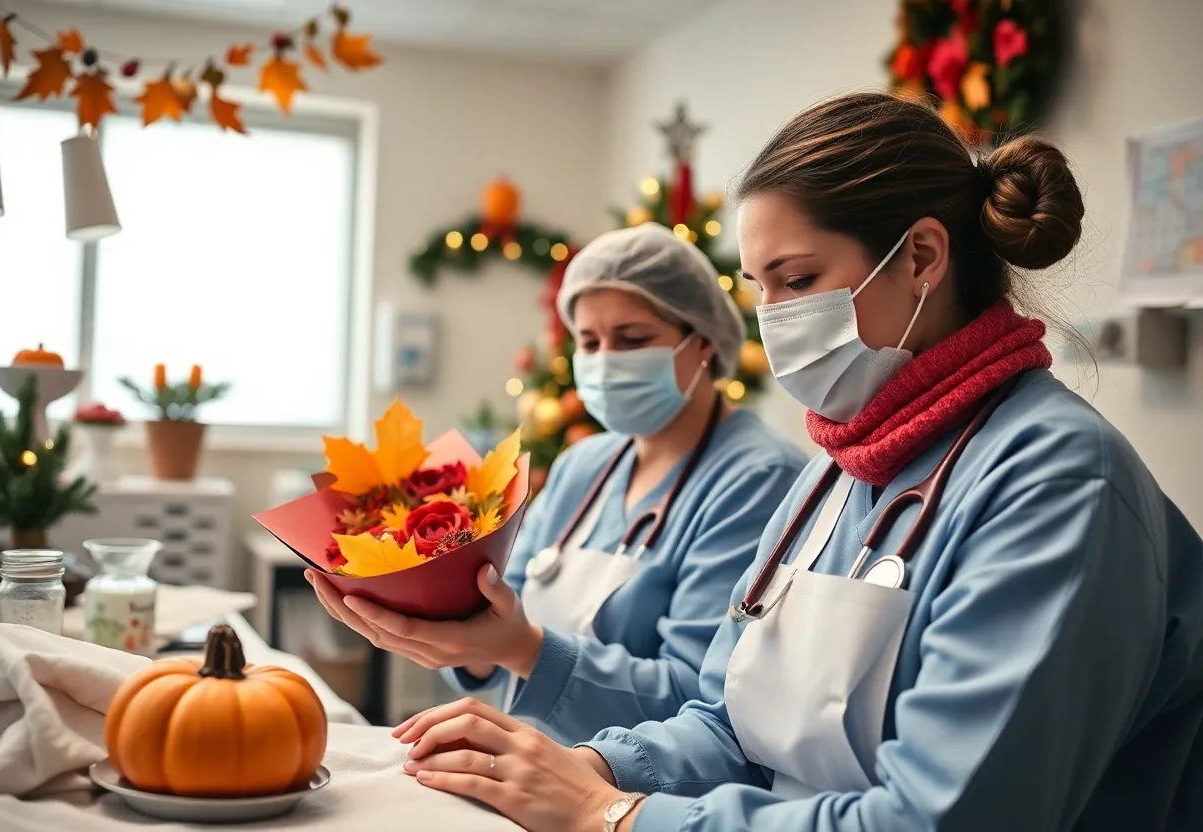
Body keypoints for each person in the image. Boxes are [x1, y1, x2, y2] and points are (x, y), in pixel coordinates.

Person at [386, 92, 1203, 832]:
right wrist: (593, 766)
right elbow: (727, 715)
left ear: (921, 256)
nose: (772, 320)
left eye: (798, 280)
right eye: (759, 288)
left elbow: (942, 819)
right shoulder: (841, 464)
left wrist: (617, 814)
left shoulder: (1057, 483)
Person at [307, 222, 808, 746]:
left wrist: (522, 648)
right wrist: (462, 642)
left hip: (636, 796)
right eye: (589, 342)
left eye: (633, 340)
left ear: (703, 341)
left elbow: (706, 702)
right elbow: (502, 611)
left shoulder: (757, 481)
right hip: (527, 763)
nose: (606, 359)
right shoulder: (583, 465)